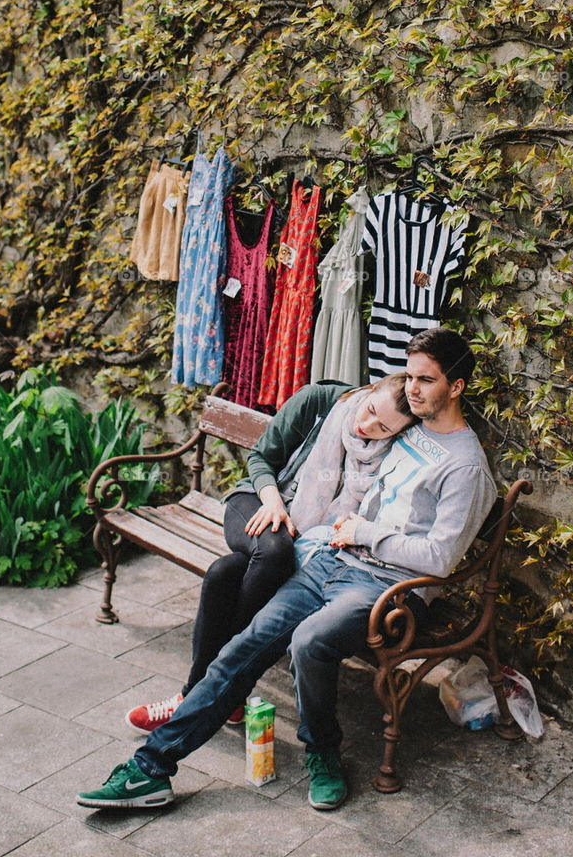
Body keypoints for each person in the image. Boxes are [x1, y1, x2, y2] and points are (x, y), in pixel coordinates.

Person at [76, 327, 495, 814]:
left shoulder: (466, 468)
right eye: (411, 376)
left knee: (307, 640)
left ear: (457, 387)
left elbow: (442, 558)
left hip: (386, 589)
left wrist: (363, 533)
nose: (412, 388)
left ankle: (322, 752)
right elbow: (354, 419)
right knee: (244, 643)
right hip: (330, 560)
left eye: (426, 380)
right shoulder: (410, 426)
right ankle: (150, 770)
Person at [126, 372, 414, 732]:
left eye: (383, 428)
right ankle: (224, 685)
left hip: (308, 538)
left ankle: (200, 697)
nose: (367, 425)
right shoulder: (320, 401)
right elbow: (261, 457)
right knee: (275, 552)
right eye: (370, 410)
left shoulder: (394, 454)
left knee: (224, 574)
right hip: (257, 501)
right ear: (369, 391)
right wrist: (274, 501)